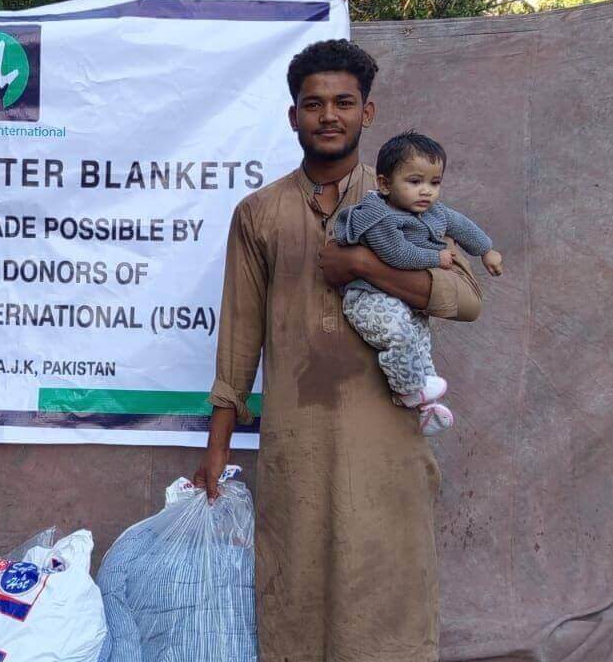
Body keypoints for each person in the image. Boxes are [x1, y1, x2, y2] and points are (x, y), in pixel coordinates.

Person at [192, 39, 484, 661]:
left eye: (344, 102)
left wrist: (366, 266)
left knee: (388, 589)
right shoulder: (259, 213)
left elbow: (467, 300)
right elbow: (239, 338)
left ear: (366, 113)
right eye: (314, 103)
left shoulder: (404, 202)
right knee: (294, 590)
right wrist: (216, 449)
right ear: (293, 116)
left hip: (388, 440)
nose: (329, 115)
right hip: (295, 442)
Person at [329, 131, 504, 436]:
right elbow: (396, 254)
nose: (426, 191)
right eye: (414, 182)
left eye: (434, 183)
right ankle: (409, 391)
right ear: (385, 184)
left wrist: (486, 250)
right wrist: (436, 257)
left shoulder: (432, 212)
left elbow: (461, 225)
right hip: (369, 298)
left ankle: (427, 409)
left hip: (403, 299)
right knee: (399, 335)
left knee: (420, 345)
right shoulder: (378, 216)